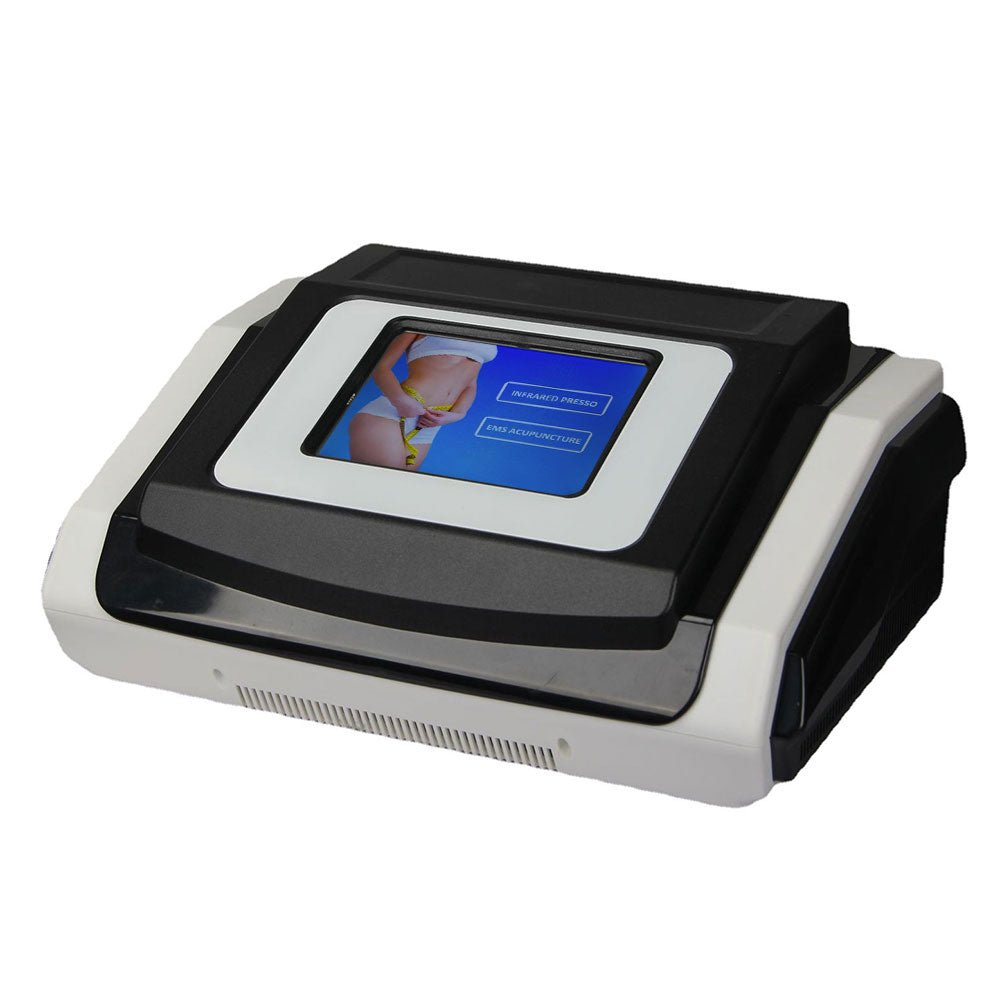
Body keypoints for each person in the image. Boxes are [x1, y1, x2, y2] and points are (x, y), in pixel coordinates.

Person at [349, 333, 497, 470]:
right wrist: (400, 400)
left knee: (400, 485)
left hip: (429, 425)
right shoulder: (422, 321)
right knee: (381, 483)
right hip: (392, 413)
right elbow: (380, 367)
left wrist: (459, 414)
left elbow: (471, 383)